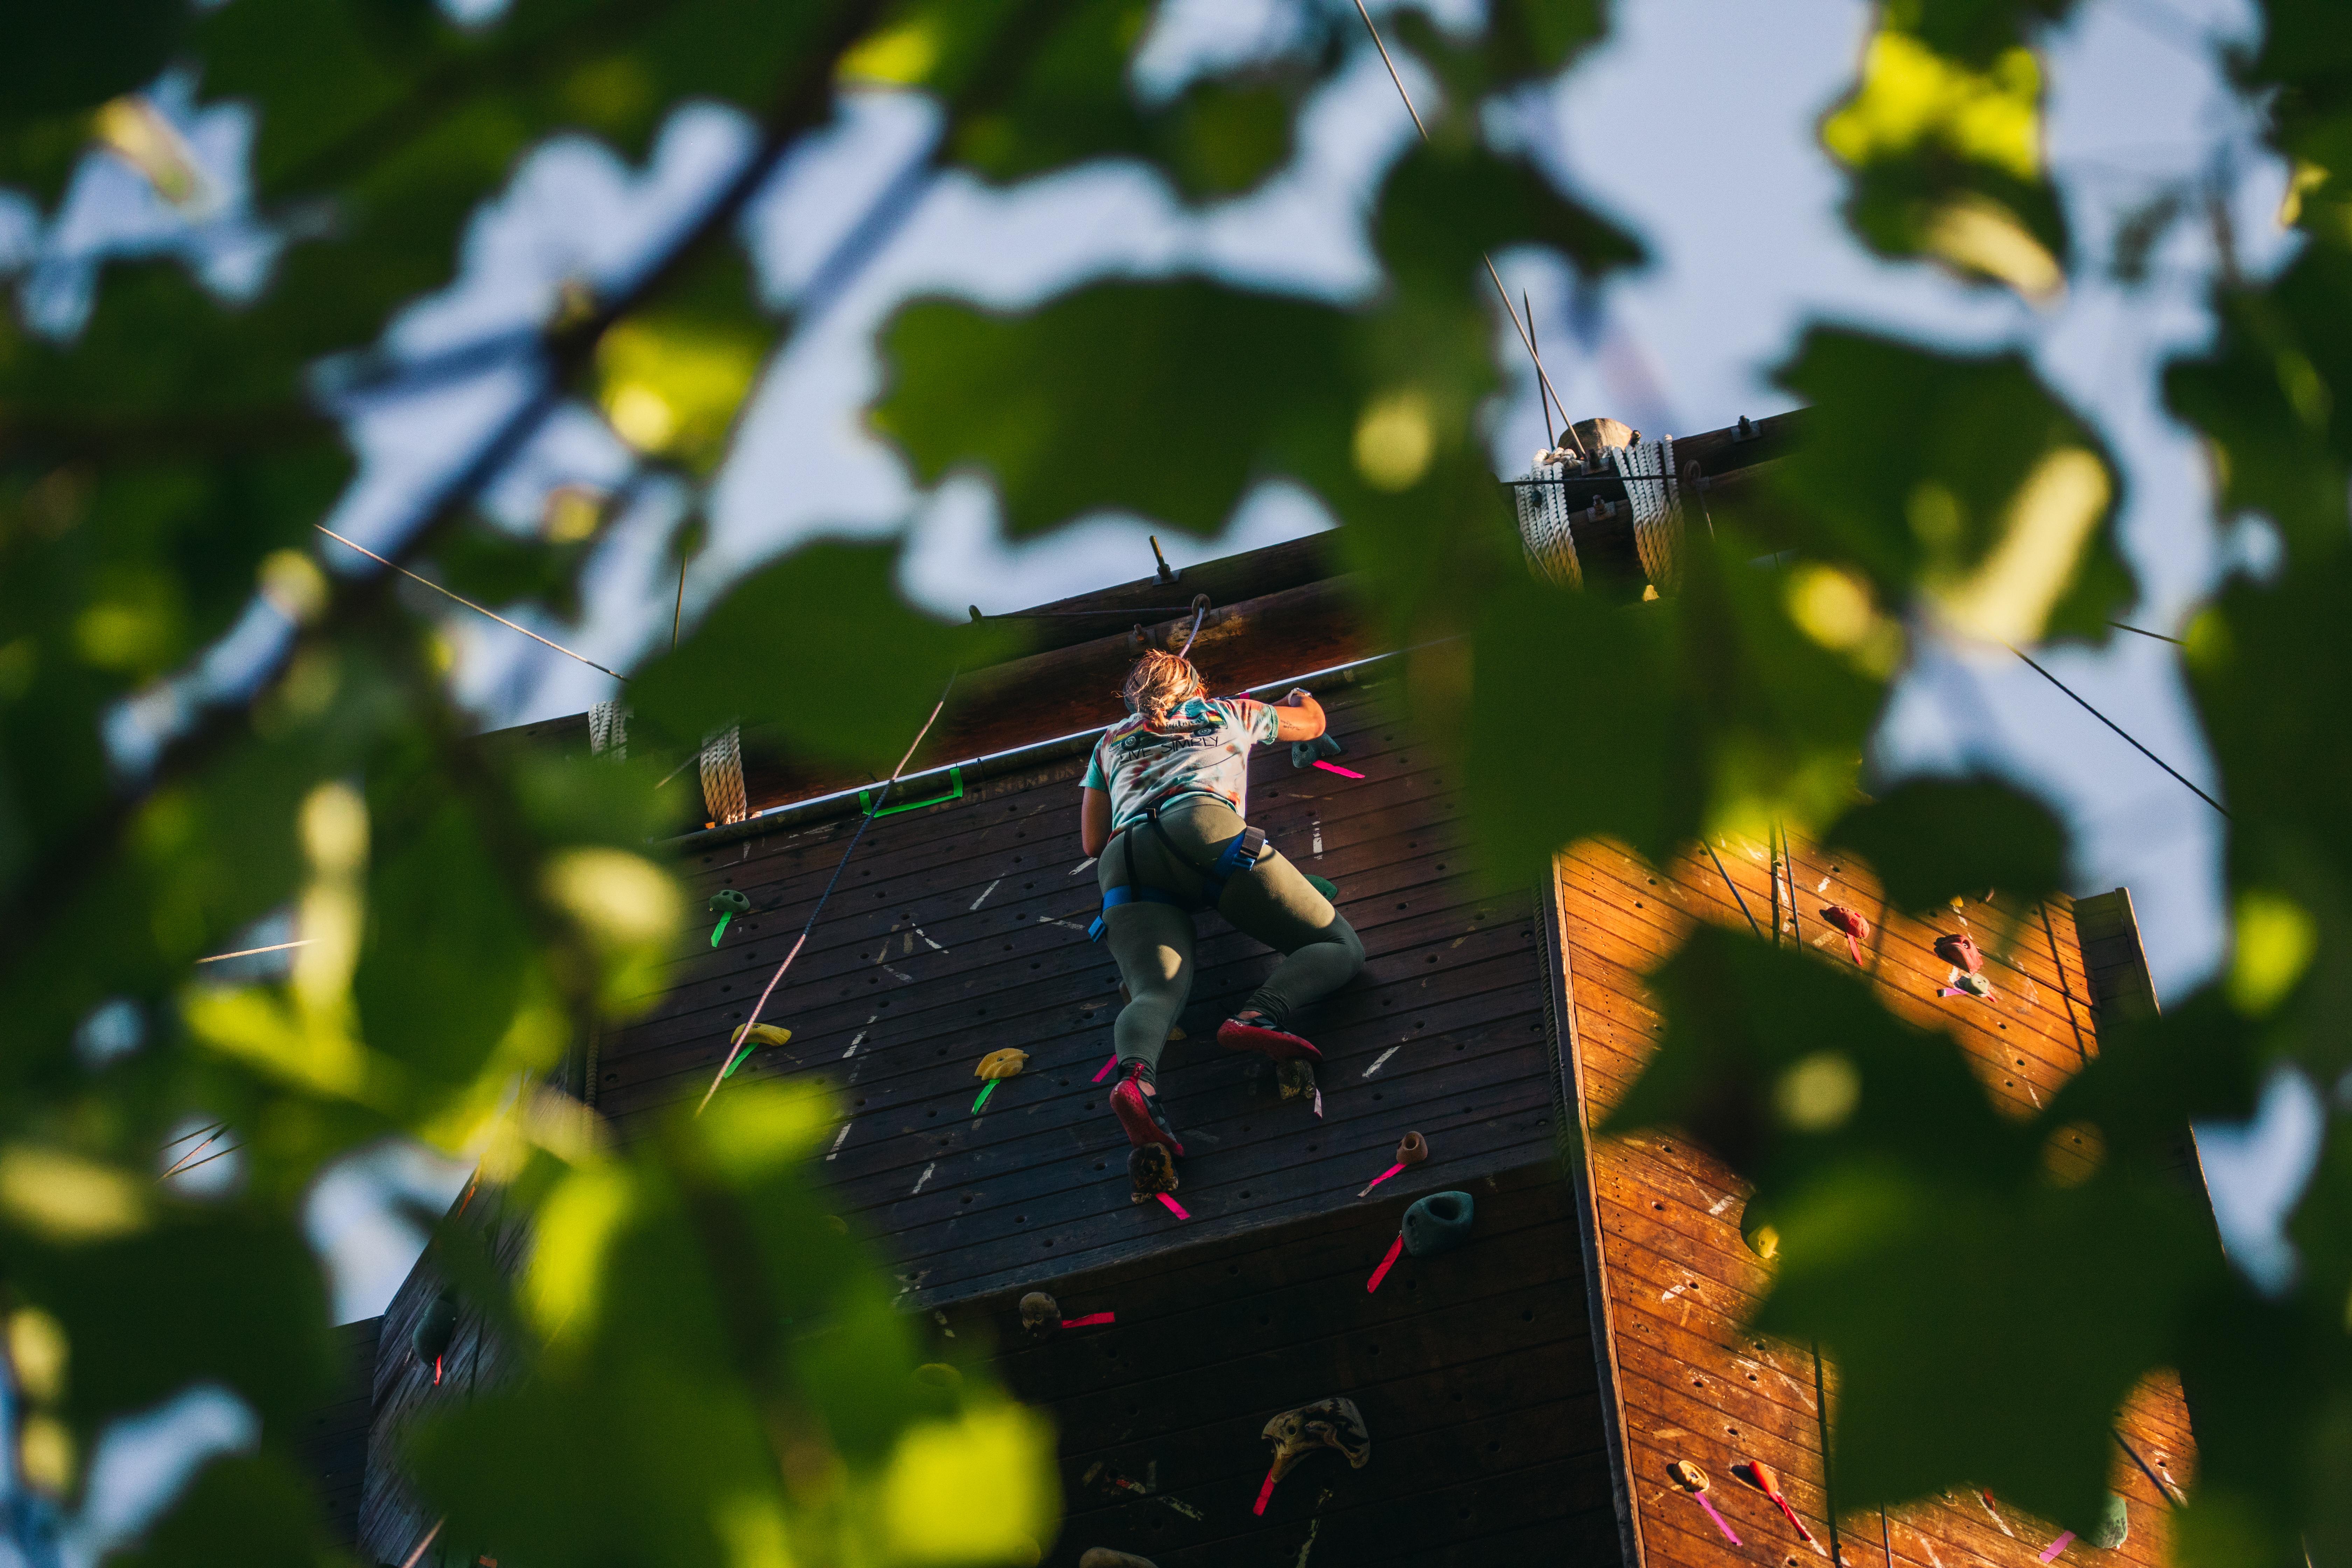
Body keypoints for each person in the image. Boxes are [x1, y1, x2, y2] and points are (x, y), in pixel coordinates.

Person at [1078, 650, 1365, 1196]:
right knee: (1337, 945)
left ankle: (1137, 1079)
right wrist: (1303, 701)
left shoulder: (1109, 743)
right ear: (1195, 684)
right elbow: (1313, 724)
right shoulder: (1231, 713)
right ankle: (1261, 1015)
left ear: (1133, 697)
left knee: (1155, 994)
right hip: (1205, 826)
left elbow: (1093, 842)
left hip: (1127, 859)